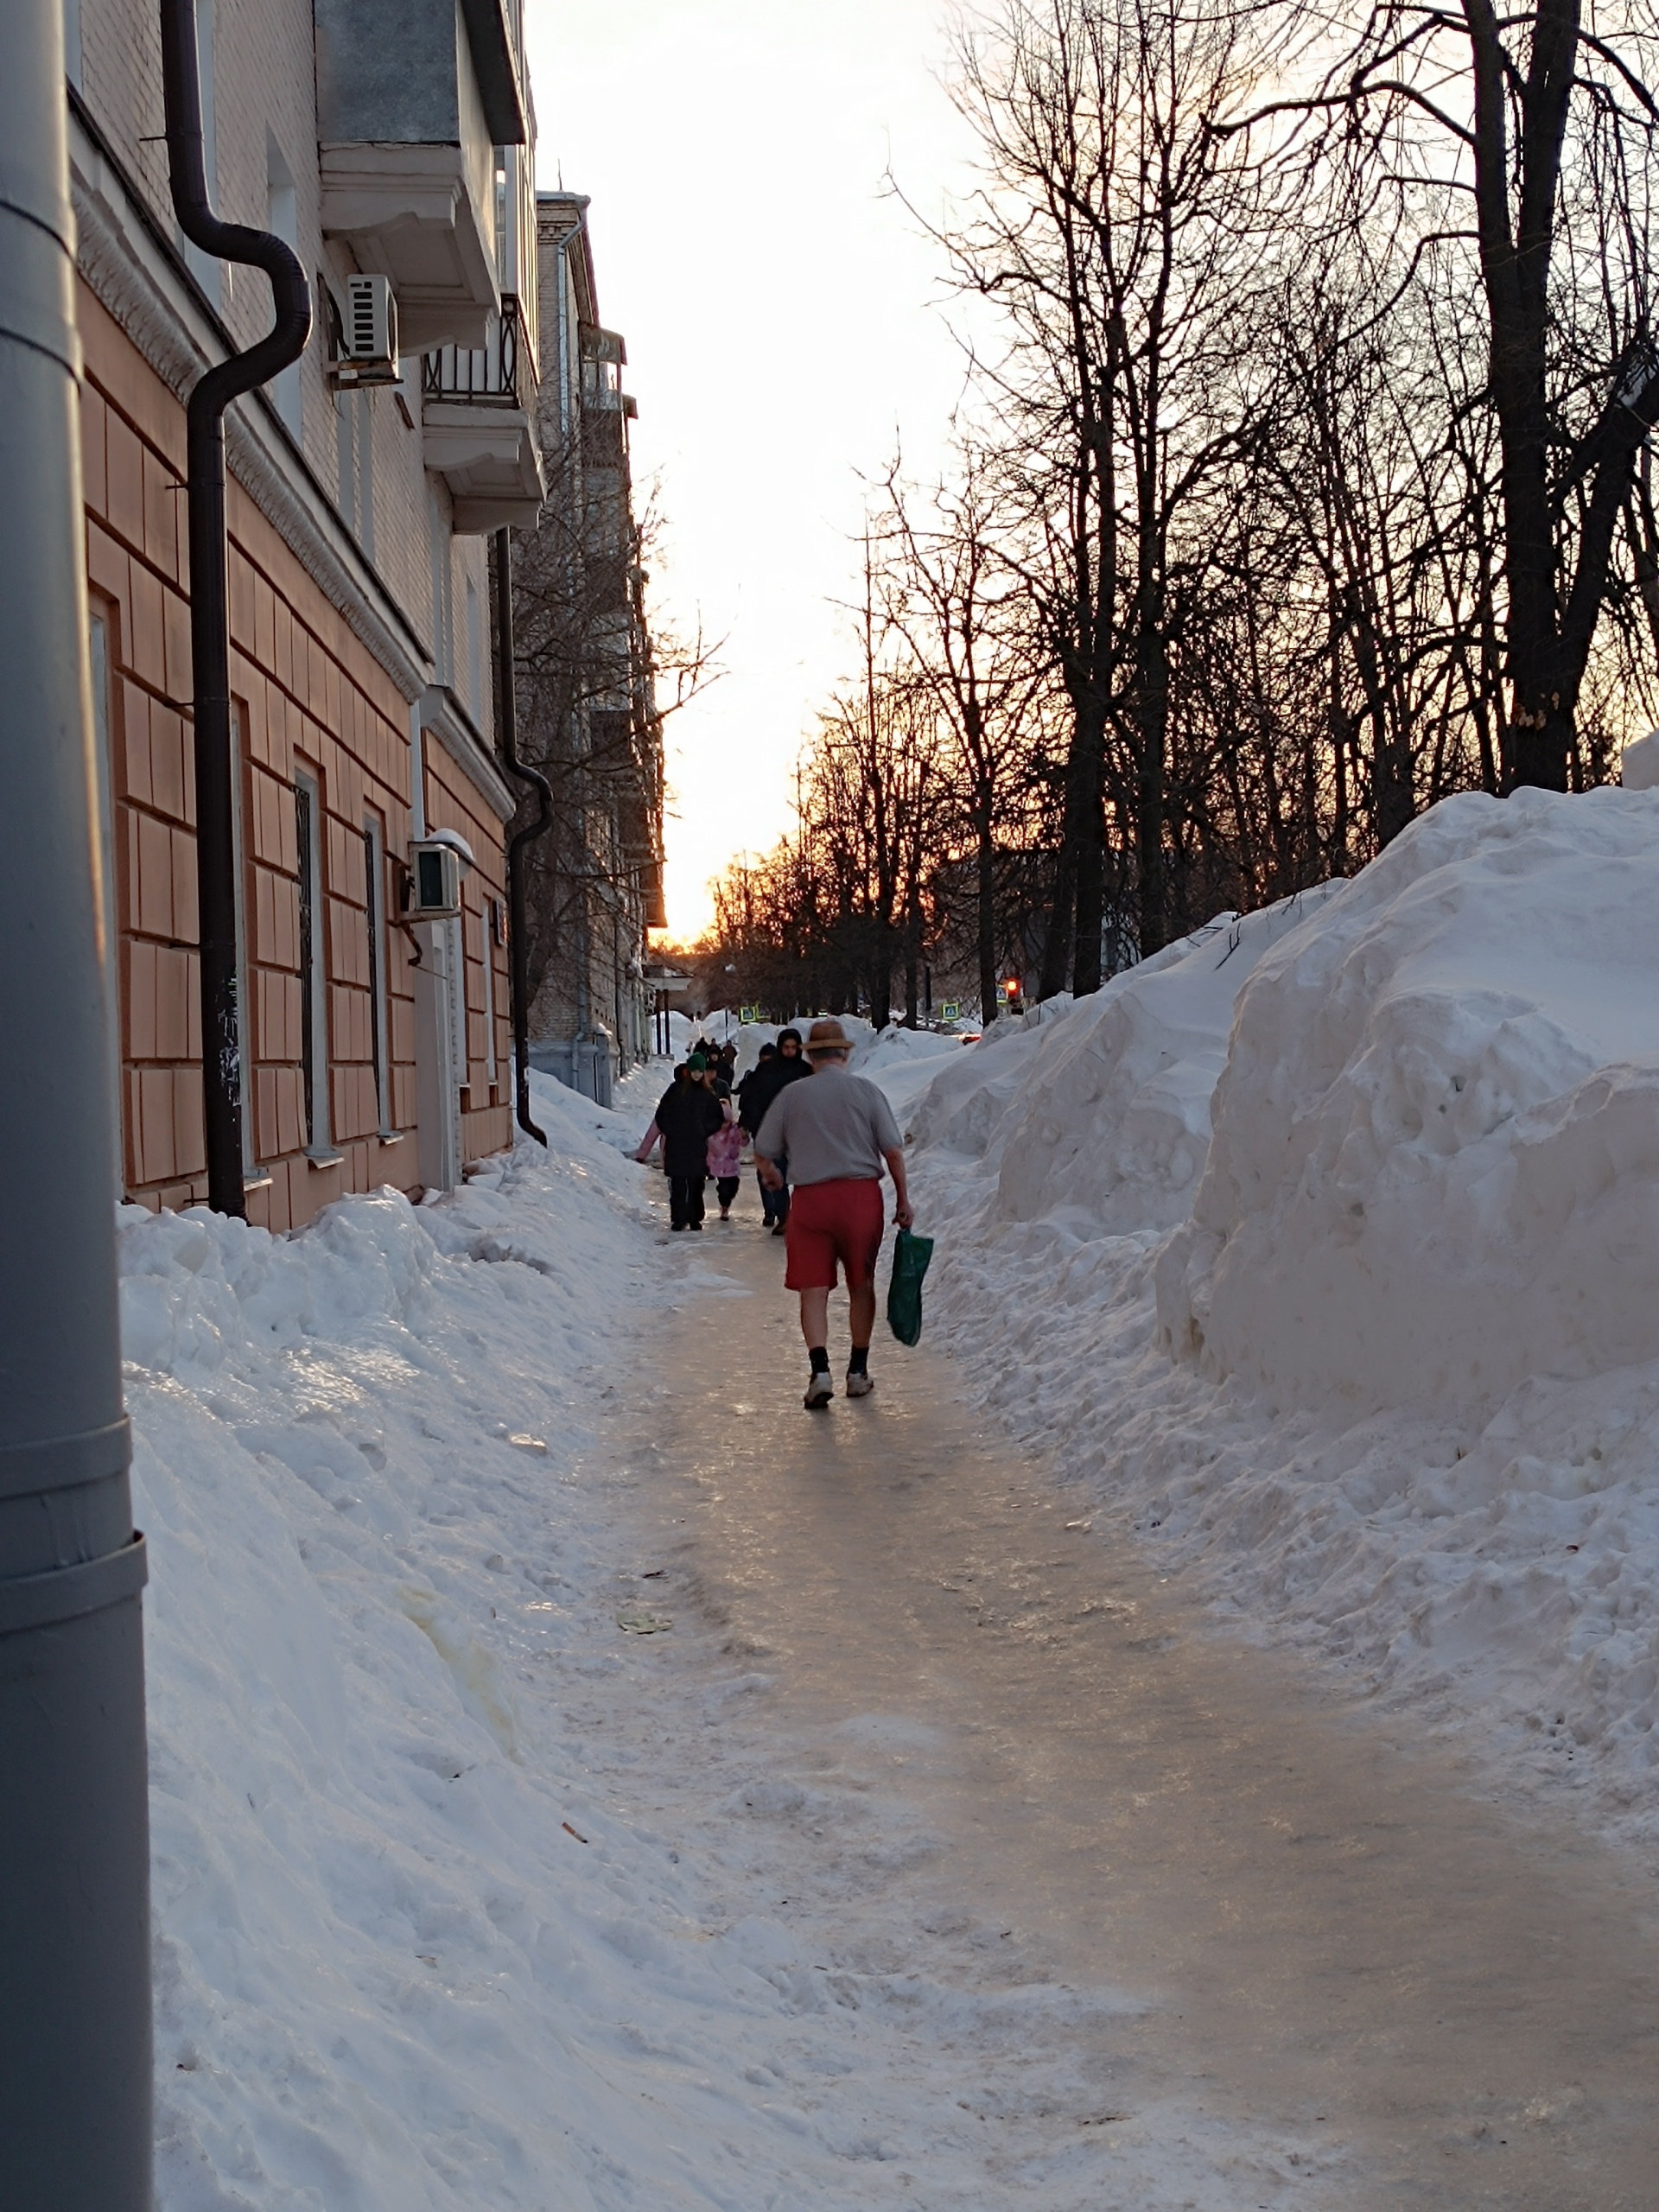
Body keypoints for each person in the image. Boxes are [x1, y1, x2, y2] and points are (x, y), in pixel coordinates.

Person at [753, 1017, 912, 1408]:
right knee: (861, 1284)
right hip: (860, 1199)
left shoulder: (792, 1095)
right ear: (844, 1053)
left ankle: (819, 1370)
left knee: (813, 1290)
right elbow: (893, 1151)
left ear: (811, 1056)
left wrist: (772, 1175)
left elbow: (763, 1149)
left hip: (810, 1202)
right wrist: (904, 1201)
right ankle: (857, 1372)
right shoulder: (867, 1091)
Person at [739, 1027, 813, 1234]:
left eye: (793, 1047)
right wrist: (754, 1125)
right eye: (786, 1047)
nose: (790, 1051)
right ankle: (784, 1217)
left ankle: (802, 1216)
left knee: (802, 1177)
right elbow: (752, 1099)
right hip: (774, 1132)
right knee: (777, 1175)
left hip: (801, 1134)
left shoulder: (806, 1071)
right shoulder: (767, 1071)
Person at [653, 1054, 725, 1230]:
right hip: (677, 1144)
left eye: (700, 1071)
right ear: (688, 1071)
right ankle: (679, 1217)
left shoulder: (707, 1094)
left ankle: (694, 1217)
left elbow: (717, 1117)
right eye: (694, 1070)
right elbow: (662, 1114)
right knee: (678, 1182)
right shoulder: (675, 1090)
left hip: (696, 1145)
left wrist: (704, 1130)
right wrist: (671, 1130)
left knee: (695, 1182)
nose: (697, 1074)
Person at [706, 1092, 745, 1219]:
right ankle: (724, 1207)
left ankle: (726, 1202)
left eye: (726, 1122)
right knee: (724, 1190)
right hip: (718, 1165)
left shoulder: (734, 1130)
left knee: (733, 1187)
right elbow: (709, 1145)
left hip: (732, 1166)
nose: (724, 1125)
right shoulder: (713, 1132)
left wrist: (743, 1136)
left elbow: (743, 1142)